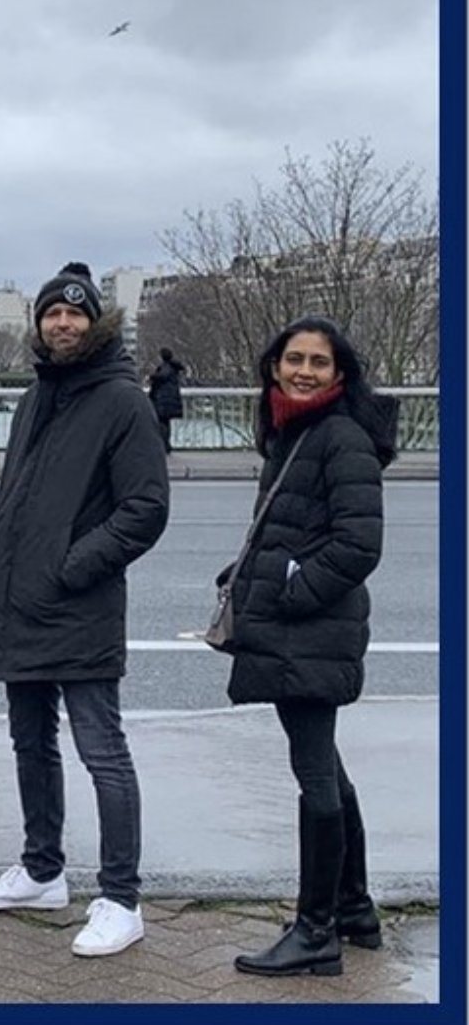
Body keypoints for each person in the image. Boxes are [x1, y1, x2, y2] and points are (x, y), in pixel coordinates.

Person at [0, 262, 169, 958]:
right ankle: (43, 870)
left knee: (102, 752)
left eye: (76, 315)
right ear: (41, 325)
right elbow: (16, 494)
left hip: (77, 603)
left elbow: (145, 509)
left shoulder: (123, 401)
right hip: (20, 600)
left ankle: (120, 898)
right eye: (53, 314)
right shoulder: (35, 398)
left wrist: (72, 566)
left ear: (95, 324)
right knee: (30, 742)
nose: (64, 323)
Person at [222, 315, 398, 978]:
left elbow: (359, 546)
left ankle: (315, 931)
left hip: (310, 631)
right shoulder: (296, 432)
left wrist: (288, 594)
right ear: (274, 367)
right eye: (293, 359)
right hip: (299, 628)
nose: (303, 370)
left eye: (318, 363)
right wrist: (251, 575)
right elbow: (293, 530)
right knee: (327, 767)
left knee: (315, 775)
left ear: (339, 374)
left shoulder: (340, 438)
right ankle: (354, 910)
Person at [147, 346, 185, 452]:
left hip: (163, 400)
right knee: (166, 423)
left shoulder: (165, 368)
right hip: (170, 399)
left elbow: (161, 377)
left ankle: (164, 445)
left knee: (162, 422)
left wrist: (151, 377)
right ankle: (166, 444)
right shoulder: (173, 368)